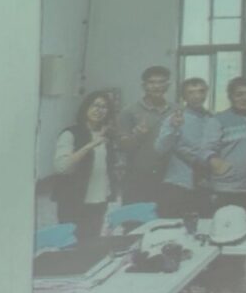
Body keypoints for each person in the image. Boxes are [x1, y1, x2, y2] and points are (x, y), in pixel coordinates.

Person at [52, 91, 120, 249]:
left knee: (92, 244)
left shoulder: (107, 136)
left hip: (99, 200)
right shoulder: (70, 133)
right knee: (71, 247)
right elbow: (61, 167)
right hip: (73, 200)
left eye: (104, 107)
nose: (99, 110)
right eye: (95, 105)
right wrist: (90, 145)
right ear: (85, 108)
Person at [152, 77, 216, 223]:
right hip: (178, 184)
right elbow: (160, 148)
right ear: (184, 96)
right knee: (174, 228)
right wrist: (173, 127)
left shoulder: (213, 119)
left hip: (205, 186)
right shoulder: (175, 118)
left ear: (206, 93)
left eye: (201, 91)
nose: (197, 96)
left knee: (204, 228)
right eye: (191, 92)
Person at [114, 66, 174, 205]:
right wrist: (137, 135)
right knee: (135, 216)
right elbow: (123, 147)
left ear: (168, 85)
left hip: (169, 176)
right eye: (152, 82)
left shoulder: (176, 110)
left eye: (161, 82)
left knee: (166, 216)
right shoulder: (129, 111)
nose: (156, 86)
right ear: (144, 86)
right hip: (137, 176)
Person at [208, 75, 246, 212]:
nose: (245, 98)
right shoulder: (218, 119)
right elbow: (206, 150)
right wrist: (219, 165)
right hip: (226, 188)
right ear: (230, 96)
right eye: (239, 94)